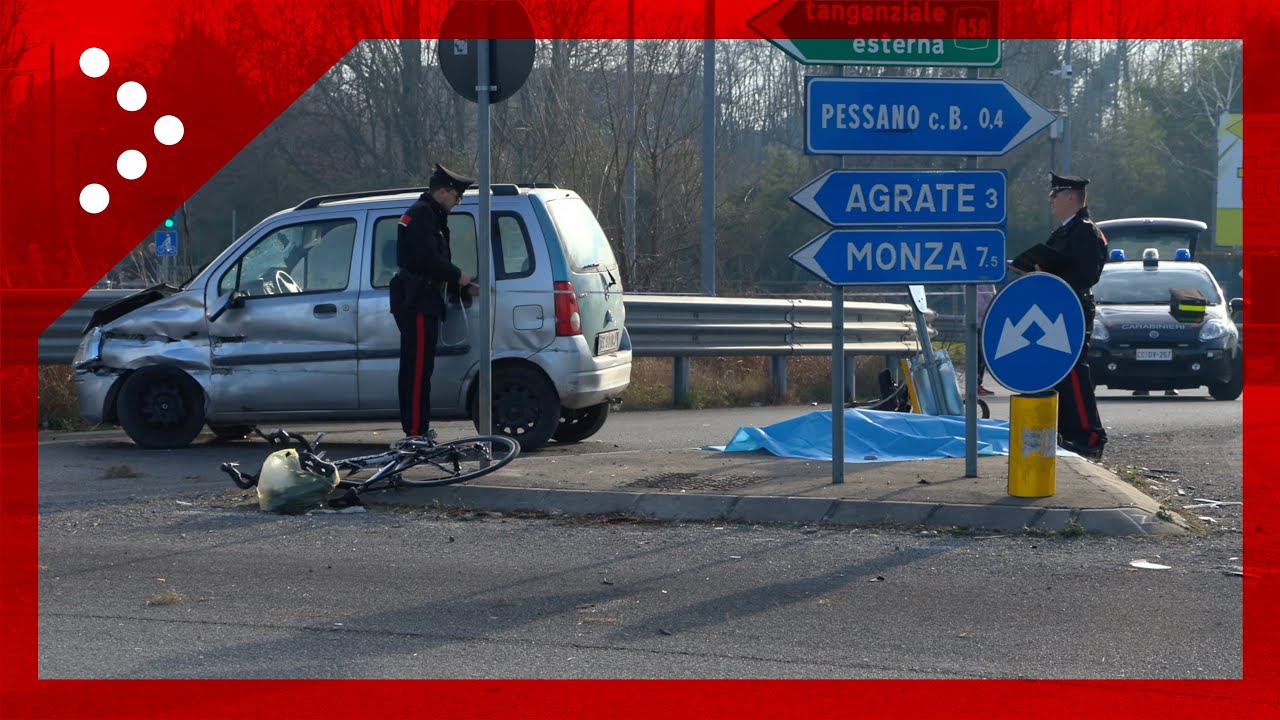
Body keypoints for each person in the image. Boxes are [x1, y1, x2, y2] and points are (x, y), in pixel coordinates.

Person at [390, 163, 476, 439]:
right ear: (441, 192)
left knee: (422, 369)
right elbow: (428, 260)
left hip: (426, 298)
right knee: (416, 370)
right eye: (456, 196)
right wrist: (458, 276)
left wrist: (461, 287)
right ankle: (415, 432)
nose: (458, 201)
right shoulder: (420, 215)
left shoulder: (434, 216)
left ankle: (419, 427)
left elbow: (437, 262)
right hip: (416, 299)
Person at [1043, 172, 1109, 458]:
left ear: (1071, 197)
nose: (1051, 200)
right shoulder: (1063, 231)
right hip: (1058, 307)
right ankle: (1068, 431)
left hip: (1074, 307)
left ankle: (1090, 435)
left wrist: (1053, 272)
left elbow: (1088, 274)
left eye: (1055, 194)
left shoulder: (1084, 231)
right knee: (1060, 371)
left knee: (1073, 370)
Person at [974, 283, 996, 395]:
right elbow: (978, 306)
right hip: (978, 323)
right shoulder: (977, 283)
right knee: (978, 355)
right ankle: (975, 384)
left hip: (987, 323)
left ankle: (978, 383)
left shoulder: (989, 284)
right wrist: (993, 308)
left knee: (982, 356)